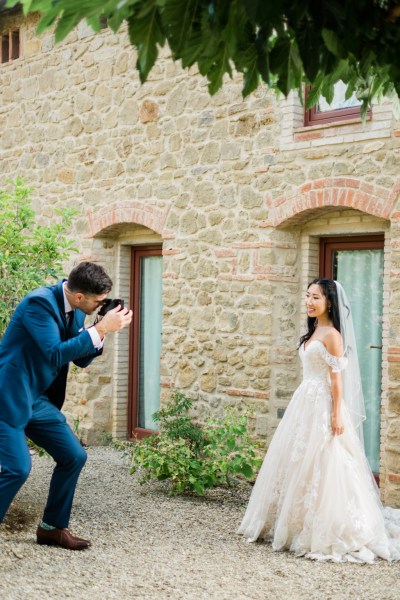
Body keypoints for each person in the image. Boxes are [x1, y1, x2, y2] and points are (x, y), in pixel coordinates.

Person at [238, 278, 400, 563]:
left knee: (327, 459)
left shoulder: (332, 335)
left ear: (330, 303)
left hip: (324, 404)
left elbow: (337, 380)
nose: (309, 302)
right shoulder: (313, 331)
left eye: (316, 297)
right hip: (304, 401)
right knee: (298, 458)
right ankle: (290, 521)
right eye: (307, 296)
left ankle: (328, 526)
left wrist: (337, 414)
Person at [0, 261, 132, 550]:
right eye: (97, 302)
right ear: (79, 296)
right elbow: (54, 353)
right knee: (17, 468)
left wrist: (102, 329)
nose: (99, 306)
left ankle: (51, 528)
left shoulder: (75, 309)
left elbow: (80, 357)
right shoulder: (39, 303)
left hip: (36, 398)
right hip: (8, 396)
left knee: (74, 455)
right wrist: (98, 329)